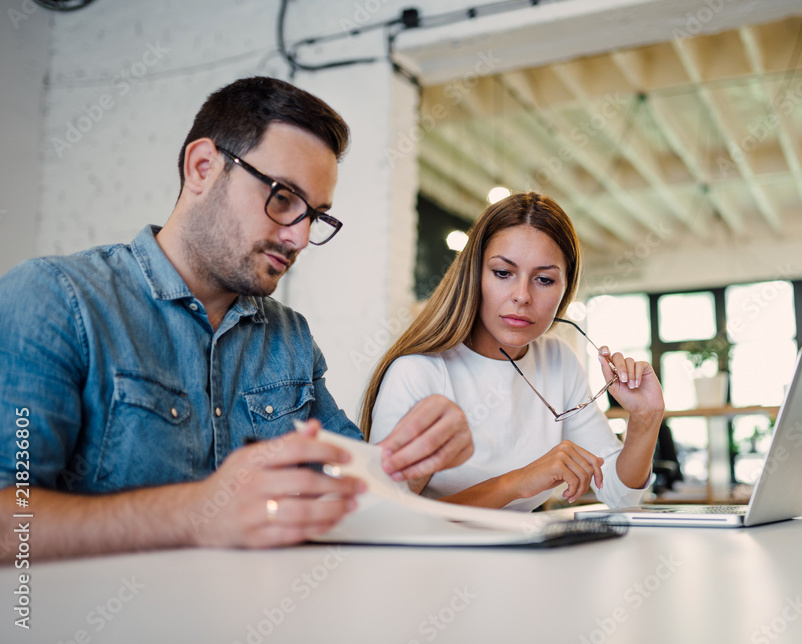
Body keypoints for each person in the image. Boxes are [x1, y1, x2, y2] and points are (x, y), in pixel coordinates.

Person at [0, 77, 472, 560]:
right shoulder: (53, 299)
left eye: (316, 216)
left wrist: (411, 463)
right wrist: (199, 513)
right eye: (283, 197)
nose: (300, 238)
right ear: (202, 167)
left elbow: (347, 488)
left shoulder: (290, 336)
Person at [360, 192, 664, 511]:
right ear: (474, 274)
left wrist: (646, 419)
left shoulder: (558, 360)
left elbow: (618, 494)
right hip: (438, 561)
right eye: (503, 273)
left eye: (544, 280)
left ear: (565, 289)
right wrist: (515, 483)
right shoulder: (417, 372)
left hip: (527, 556)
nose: (522, 296)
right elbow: (385, 515)